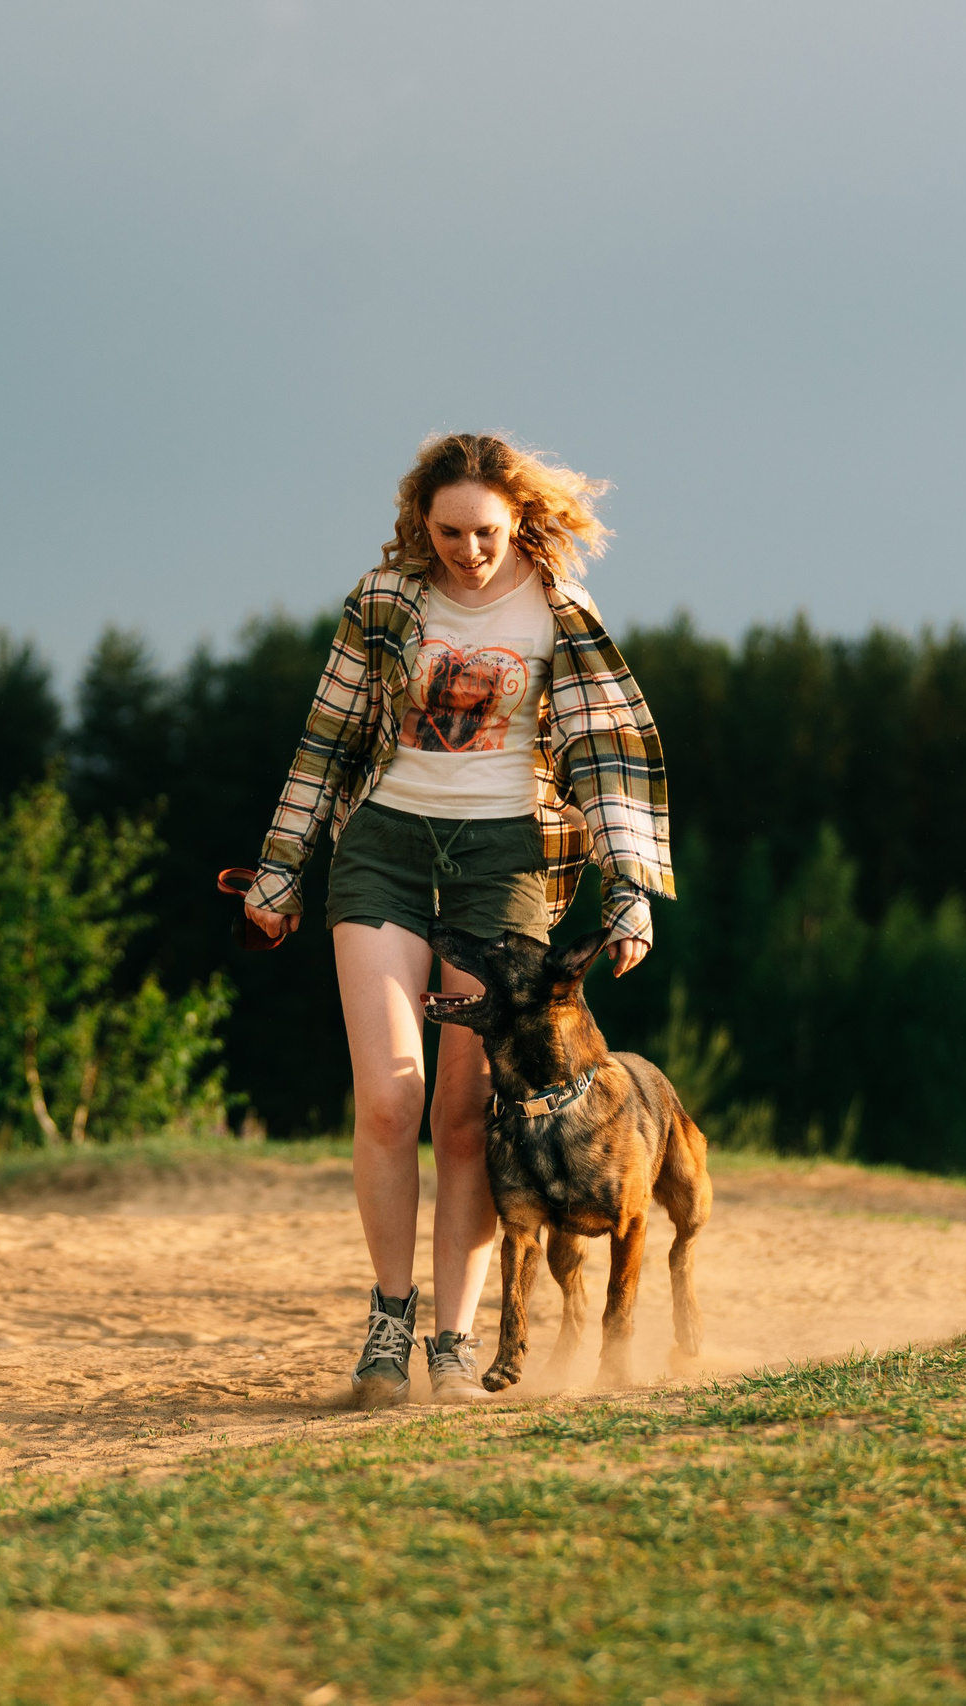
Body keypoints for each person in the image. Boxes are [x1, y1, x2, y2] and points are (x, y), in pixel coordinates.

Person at [243, 433, 674, 1408]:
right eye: (448, 531)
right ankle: (387, 1328)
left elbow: (605, 759)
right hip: (383, 852)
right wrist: (278, 869)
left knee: (464, 1116)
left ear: (517, 517)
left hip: (505, 865)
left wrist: (630, 887)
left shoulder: (562, 612)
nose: (468, 550)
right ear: (420, 521)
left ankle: (454, 1338)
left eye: (485, 531)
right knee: (392, 1098)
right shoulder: (384, 600)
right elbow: (324, 741)